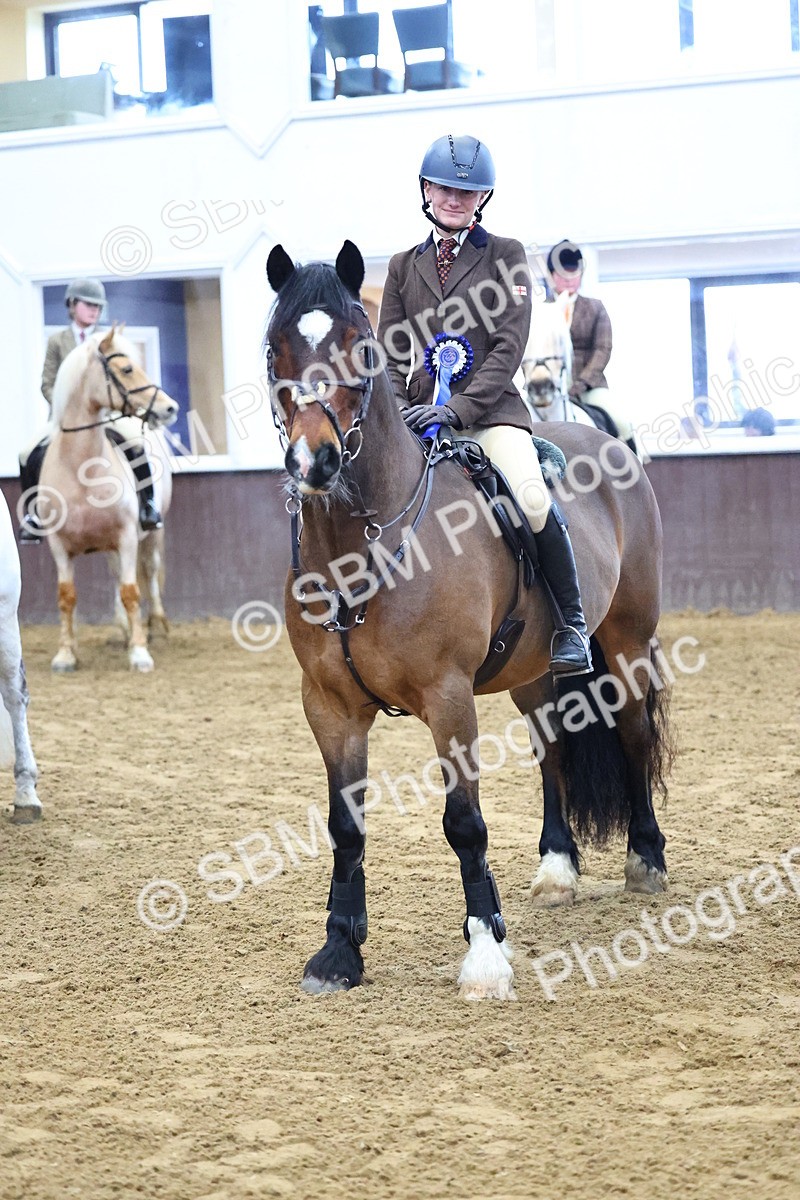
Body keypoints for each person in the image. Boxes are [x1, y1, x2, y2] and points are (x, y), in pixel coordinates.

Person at [377, 134, 592, 676]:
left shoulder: (506, 255)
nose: (455, 199)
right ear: (427, 191)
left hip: (490, 415)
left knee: (532, 499)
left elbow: (509, 345)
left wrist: (459, 410)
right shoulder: (402, 267)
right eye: (445, 189)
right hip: (419, 420)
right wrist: (401, 410)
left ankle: (571, 624)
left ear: (482, 198)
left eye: (467, 192)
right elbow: (391, 352)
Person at [18, 278, 163, 542]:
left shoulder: (108, 341)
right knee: (27, 453)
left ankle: (148, 504)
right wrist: (66, 409)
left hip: (105, 416)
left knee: (135, 442)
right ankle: (34, 516)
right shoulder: (57, 341)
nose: (94, 310)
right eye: (89, 304)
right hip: (65, 420)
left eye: (98, 306)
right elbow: (47, 383)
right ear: (72, 305)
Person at [546, 239, 637, 452]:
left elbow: (602, 349)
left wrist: (581, 383)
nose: (569, 278)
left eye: (574, 272)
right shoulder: (541, 310)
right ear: (551, 276)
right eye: (562, 273)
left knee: (622, 422)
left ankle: (634, 462)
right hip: (547, 389)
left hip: (590, 387)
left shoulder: (595, 308)